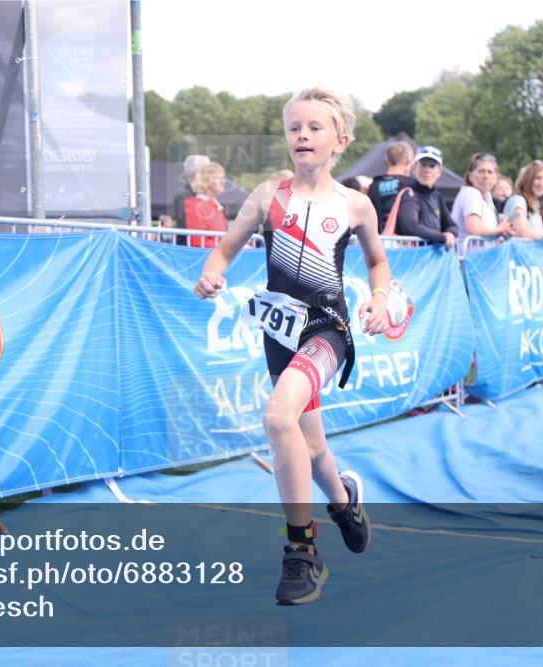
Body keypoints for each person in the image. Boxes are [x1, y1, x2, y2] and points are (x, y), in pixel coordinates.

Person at [194, 87, 388, 606]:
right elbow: (225, 249)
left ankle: (302, 550)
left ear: (340, 141)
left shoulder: (355, 204)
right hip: (280, 334)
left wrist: (380, 297)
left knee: (278, 418)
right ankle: (344, 502)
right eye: (294, 127)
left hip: (326, 330)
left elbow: (377, 262)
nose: (302, 135)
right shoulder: (267, 196)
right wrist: (212, 272)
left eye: (315, 127)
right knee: (313, 447)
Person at [394, 146, 459, 247]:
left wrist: (450, 233)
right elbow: (411, 227)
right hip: (413, 255)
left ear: (440, 172)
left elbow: (452, 226)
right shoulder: (409, 195)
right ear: (414, 169)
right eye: (423, 165)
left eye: (432, 166)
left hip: (431, 255)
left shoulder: (437, 196)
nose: (427, 170)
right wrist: (442, 237)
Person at [450, 152, 513, 246]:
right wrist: (499, 229)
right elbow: (474, 228)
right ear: (470, 177)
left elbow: (489, 232)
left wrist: (503, 232)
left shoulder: (487, 197)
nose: (486, 176)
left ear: (496, 178)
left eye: (490, 172)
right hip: (468, 254)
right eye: (481, 171)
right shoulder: (471, 193)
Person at [161, 154, 210, 246]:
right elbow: (185, 227)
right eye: (206, 172)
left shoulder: (206, 195)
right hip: (190, 248)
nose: (209, 176)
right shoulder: (183, 197)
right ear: (194, 174)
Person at [367, 141, 414, 233]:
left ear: (386, 162)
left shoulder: (374, 185)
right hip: (405, 238)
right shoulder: (411, 185)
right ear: (407, 161)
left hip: (379, 237)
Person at [184, 162, 228, 248]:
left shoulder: (216, 206)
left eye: (223, 178)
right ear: (205, 180)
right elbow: (199, 242)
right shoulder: (195, 206)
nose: (223, 181)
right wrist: (229, 248)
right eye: (218, 178)